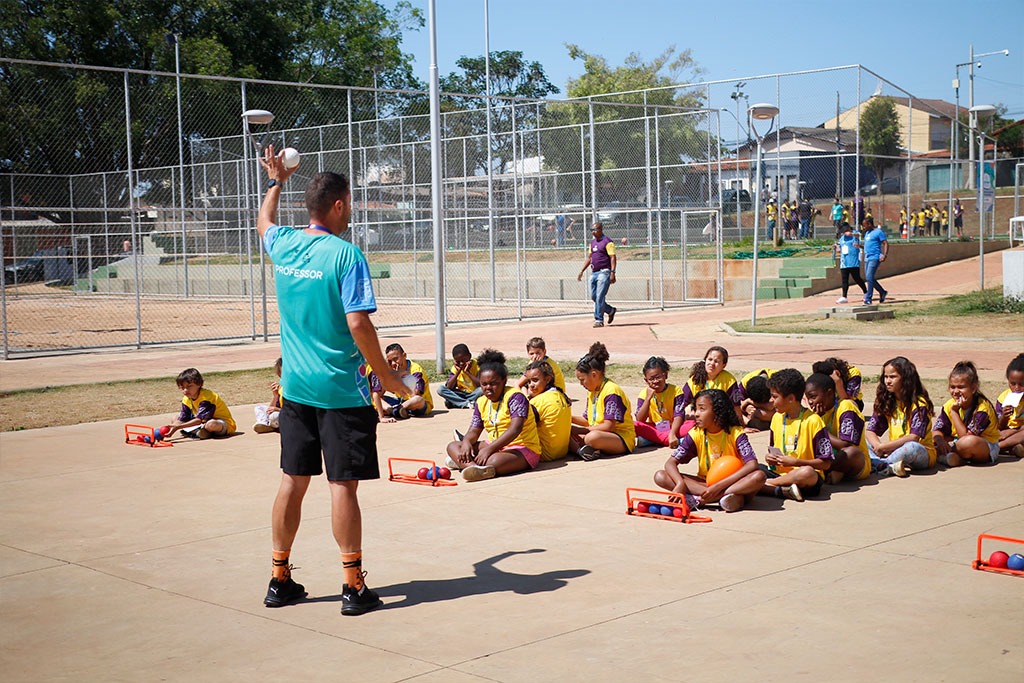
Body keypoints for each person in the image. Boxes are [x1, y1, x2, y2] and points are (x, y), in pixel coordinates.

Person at [256, 143, 406, 615]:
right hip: (342, 391)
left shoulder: (284, 244)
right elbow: (359, 324)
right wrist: (387, 377)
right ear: (338, 205)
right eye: (351, 203)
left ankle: (279, 579)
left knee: (292, 481)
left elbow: (263, 223)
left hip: (296, 389)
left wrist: (276, 181)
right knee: (342, 486)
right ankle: (352, 586)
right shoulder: (346, 255)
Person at [654, 389, 766, 513]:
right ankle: (725, 499)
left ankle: (701, 500)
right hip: (705, 484)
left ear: (718, 412)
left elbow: (752, 464)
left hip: (733, 483)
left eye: (702, 409)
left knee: (759, 476)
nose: (696, 414)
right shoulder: (696, 433)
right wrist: (680, 483)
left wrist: (718, 487)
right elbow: (670, 463)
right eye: (696, 409)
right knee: (660, 476)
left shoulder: (736, 433)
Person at [445, 349, 542, 482]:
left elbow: (515, 429)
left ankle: (465, 464)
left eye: (494, 383)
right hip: (495, 445)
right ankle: (474, 468)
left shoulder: (515, 397)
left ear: (504, 381)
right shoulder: (481, 401)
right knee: (453, 446)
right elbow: (474, 430)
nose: (488, 388)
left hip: (521, 448)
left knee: (494, 460)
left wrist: (489, 449)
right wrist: (467, 442)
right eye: (484, 384)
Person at [757, 369, 833, 501]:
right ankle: (782, 490)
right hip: (778, 473)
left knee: (807, 473)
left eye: (775, 397)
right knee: (750, 468)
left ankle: (767, 486)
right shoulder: (777, 418)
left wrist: (797, 462)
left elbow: (826, 463)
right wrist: (770, 458)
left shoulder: (813, 421)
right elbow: (773, 448)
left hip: (804, 478)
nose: (771, 400)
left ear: (791, 398)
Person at [866, 356, 936, 478]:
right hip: (892, 451)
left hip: (921, 453)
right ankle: (888, 466)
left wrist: (883, 447)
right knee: (862, 440)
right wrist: (878, 445)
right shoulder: (886, 401)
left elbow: (914, 437)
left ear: (906, 379)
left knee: (911, 447)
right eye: (885, 377)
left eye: (892, 377)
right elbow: (870, 431)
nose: (887, 381)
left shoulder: (919, 404)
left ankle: (879, 464)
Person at [570, 341, 636, 461]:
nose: (581, 384)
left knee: (592, 438)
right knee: (565, 433)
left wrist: (581, 430)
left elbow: (609, 426)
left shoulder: (611, 391)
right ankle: (585, 450)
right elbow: (587, 420)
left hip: (619, 437)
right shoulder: (592, 391)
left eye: (582, 380)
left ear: (594, 375)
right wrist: (567, 418)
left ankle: (588, 448)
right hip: (597, 432)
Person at [804, 372, 870, 484]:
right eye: (808, 397)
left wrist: (820, 428)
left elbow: (845, 445)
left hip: (854, 463)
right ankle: (829, 471)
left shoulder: (846, 407)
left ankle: (823, 469)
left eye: (813, 396)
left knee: (851, 453)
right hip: (829, 457)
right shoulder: (817, 413)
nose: (810, 402)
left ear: (829, 393)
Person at [933, 360, 1001, 467]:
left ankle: (953, 457)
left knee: (968, 442)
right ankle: (952, 456)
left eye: (961, 387)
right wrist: (939, 440)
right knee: (930, 441)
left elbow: (965, 438)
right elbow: (937, 430)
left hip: (985, 446)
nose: (956, 391)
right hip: (957, 442)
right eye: (952, 387)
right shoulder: (948, 405)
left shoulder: (982, 409)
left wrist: (954, 412)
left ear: (973, 388)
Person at [164, 367, 236, 439]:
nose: (185, 390)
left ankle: (199, 432)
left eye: (189, 386)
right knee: (175, 419)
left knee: (211, 424)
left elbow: (199, 420)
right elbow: (183, 418)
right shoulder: (186, 398)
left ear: (199, 384)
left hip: (220, 423)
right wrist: (172, 430)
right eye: (182, 387)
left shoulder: (207, 397)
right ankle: (201, 432)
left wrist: (179, 427)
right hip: (203, 422)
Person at [369, 343, 433, 422]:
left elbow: (416, 394)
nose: (393, 363)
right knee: (375, 398)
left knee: (418, 400)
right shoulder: (390, 370)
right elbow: (379, 394)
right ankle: (394, 411)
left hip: (417, 405)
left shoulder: (415, 370)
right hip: (400, 401)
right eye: (390, 361)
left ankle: (396, 410)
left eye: (395, 359)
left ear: (404, 355)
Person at [523, 359, 572, 461]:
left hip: (543, 454)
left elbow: (520, 426)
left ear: (548, 379)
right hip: (562, 452)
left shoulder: (539, 401)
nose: (531, 385)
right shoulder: (560, 395)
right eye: (528, 381)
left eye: (535, 380)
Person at [634, 356, 688, 449]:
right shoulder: (644, 393)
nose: (655, 381)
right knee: (634, 425)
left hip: (673, 427)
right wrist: (647, 399)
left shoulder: (676, 391)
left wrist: (672, 433)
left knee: (693, 423)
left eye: (658, 377)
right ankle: (677, 441)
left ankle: (652, 440)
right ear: (646, 380)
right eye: (651, 379)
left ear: (665, 375)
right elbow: (640, 420)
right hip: (654, 428)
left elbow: (678, 416)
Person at [680, 345, 744, 420]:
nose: (712, 364)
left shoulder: (729, 380)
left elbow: (736, 406)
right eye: (710, 359)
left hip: (719, 418)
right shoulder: (695, 379)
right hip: (699, 417)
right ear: (705, 360)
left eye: (716, 361)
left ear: (724, 365)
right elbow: (681, 404)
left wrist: (741, 426)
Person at [577, 222, 617, 328]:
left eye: (594, 230)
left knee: (600, 296)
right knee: (594, 296)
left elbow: (613, 257)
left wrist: (613, 272)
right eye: (591, 230)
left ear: (600, 229)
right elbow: (589, 258)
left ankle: (599, 319)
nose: (593, 232)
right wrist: (582, 271)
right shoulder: (593, 243)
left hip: (604, 272)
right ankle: (610, 310)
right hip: (594, 273)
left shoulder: (608, 242)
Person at [437, 343, 481, 409]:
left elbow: (480, 385)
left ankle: (457, 403)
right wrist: (458, 372)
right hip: (461, 394)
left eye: (463, 360)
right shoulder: (455, 369)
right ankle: (466, 403)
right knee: (440, 389)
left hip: (474, 393)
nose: (461, 363)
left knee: (482, 390)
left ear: (469, 356)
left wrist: (467, 372)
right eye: (458, 361)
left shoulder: (477, 365)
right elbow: (449, 387)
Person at [997, 353, 1024, 457]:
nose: (1017, 388)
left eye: (1022, 384)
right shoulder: (1004, 398)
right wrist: (1004, 416)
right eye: (1012, 384)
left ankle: (998, 447)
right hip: (1006, 432)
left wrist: (1011, 431)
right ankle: (1014, 448)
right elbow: (999, 426)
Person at [834, 222, 866, 305]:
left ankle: (866, 293)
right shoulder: (842, 239)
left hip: (853, 261)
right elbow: (839, 250)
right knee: (844, 280)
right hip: (844, 262)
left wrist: (851, 233)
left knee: (857, 278)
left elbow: (858, 235)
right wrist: (836, 248)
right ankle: (844, 296)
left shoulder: (855, 234)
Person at [861, 217, 888, 305]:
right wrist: (860, 246)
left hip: (875, 257)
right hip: (867, 258)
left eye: (864, 225)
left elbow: (885, 243)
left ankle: (868, 298)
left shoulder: (878, 232)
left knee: (869, 277)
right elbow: (867, 246)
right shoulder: (867, 233)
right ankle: (882, 292)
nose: (863, 227)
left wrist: (884, 255)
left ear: (869, 224)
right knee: (870, 278)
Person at [253, 357, 283, 434]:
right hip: (279, 414)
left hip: (285, 414)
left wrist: (277, 409)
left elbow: (293, 410)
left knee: (274, 416)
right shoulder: (281, 388)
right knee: (259, 407)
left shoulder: (292, 388)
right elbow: (270, 408)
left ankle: (272, 426)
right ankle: (264, 424)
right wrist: (275, 395)